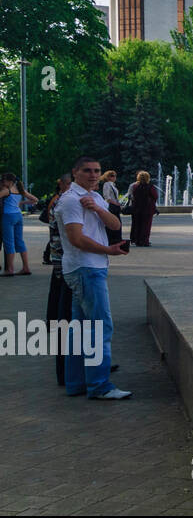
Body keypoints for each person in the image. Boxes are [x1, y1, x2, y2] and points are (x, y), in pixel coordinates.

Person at [55, 156, 131, 400]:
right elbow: (77, 239)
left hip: (91, 268)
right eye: (87, 170)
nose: (93, 175)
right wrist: (109, 250)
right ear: (75, 172)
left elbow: (114, 223)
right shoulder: (70, 200)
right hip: (85, 268)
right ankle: (100, 386)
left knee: (79, 328)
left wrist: (97, 208)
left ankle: (76, 383)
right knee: (100, 327)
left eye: (96, 171)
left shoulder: (94, 197)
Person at [42, 174, 73, 385]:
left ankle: (74, 366)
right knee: (66, 316)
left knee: (64, 314)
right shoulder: (63, 201)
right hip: (66, 265)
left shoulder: (63, 200)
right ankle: (66, 371)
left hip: (63, 263)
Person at [1, 173, 38, 276]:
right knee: (20, 242)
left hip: (8, 216)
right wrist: (21, 203)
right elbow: (35, 199)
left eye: (4, 180)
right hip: (18, 216)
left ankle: (10, 269)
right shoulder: (20, 190)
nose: (3, 183)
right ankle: (26, 268)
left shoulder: (6, 191)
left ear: (10, 181)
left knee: (9, 243)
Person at [127, 171, 157, 246]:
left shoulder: (135, 186)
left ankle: (137, 240)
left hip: (136, 208)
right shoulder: (150, 186)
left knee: (137, 225)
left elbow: (132, 196)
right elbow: (155, 196)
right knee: (146, 225)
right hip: (147, 209)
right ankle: (144, 241)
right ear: (148, 178)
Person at [100, 170, 123, 246]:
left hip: (114, 205)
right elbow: (107, 197)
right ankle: (112, 239)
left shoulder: (113, 184)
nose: (114, 177)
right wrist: (116, 203)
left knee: (117, 222)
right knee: (113, 222)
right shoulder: (107, 184)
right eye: (112, 176)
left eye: (115, 175)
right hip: (111, 206)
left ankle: (116, 239)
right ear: (108, 177)